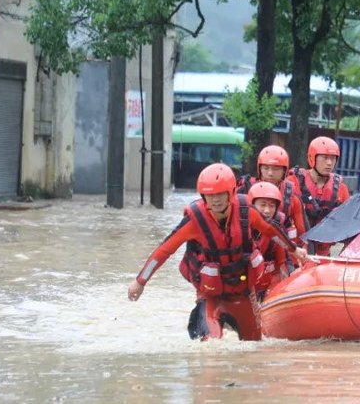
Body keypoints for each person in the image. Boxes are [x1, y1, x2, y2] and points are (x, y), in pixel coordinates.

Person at [127, 163, 308, 341]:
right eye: (210, 195)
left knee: (254, 346)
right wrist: (140, 281)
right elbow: (164, 251)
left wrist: (294, 250)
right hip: (210, 295)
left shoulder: (247, 212)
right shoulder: (194, 221)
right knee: (211, 345)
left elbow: (271, 230)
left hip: (244, 291)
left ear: (231, 192)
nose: (215, 200)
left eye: (220, 194)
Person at [289, 136, 351, 255]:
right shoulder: (293, 181)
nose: (329, 163)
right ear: (312, 158)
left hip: (323, 253)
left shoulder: (341, 188)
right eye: (325, 158)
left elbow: (348, 223)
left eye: (333, 159)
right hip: (295, 252)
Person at [241, 145, 303, 243]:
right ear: (259, 169)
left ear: (284, 171)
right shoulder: (245, 189)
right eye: (266, 168)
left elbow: (302, 233)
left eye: (276, 169)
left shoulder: (292, 197)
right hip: (248, 247)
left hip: (278, 246)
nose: (270, 173)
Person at [248, 181, 292, 296]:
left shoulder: (278, 228)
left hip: (268, 283)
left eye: (271, 205)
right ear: (252, 205)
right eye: (262, 205)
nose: (267, 211)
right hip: (245, 283)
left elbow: (282, 263)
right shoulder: (240, 227)